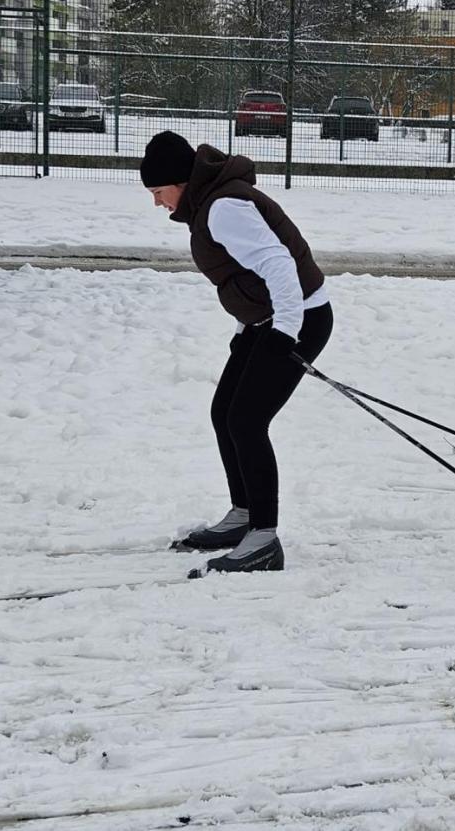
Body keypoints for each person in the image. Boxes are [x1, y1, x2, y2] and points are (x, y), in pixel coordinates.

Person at [139, 130, 333, 573]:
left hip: (300, 318)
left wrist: (285, 331)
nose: (157, 203)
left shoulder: (224, 208)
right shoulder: (210, 202)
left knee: (247, 420)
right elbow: (247, 279)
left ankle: (263, 537)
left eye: (158, 191)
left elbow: (278, 265)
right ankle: (244, 514)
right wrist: (247, 327)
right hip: (271, 320)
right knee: (224, 411)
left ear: (180, 181)